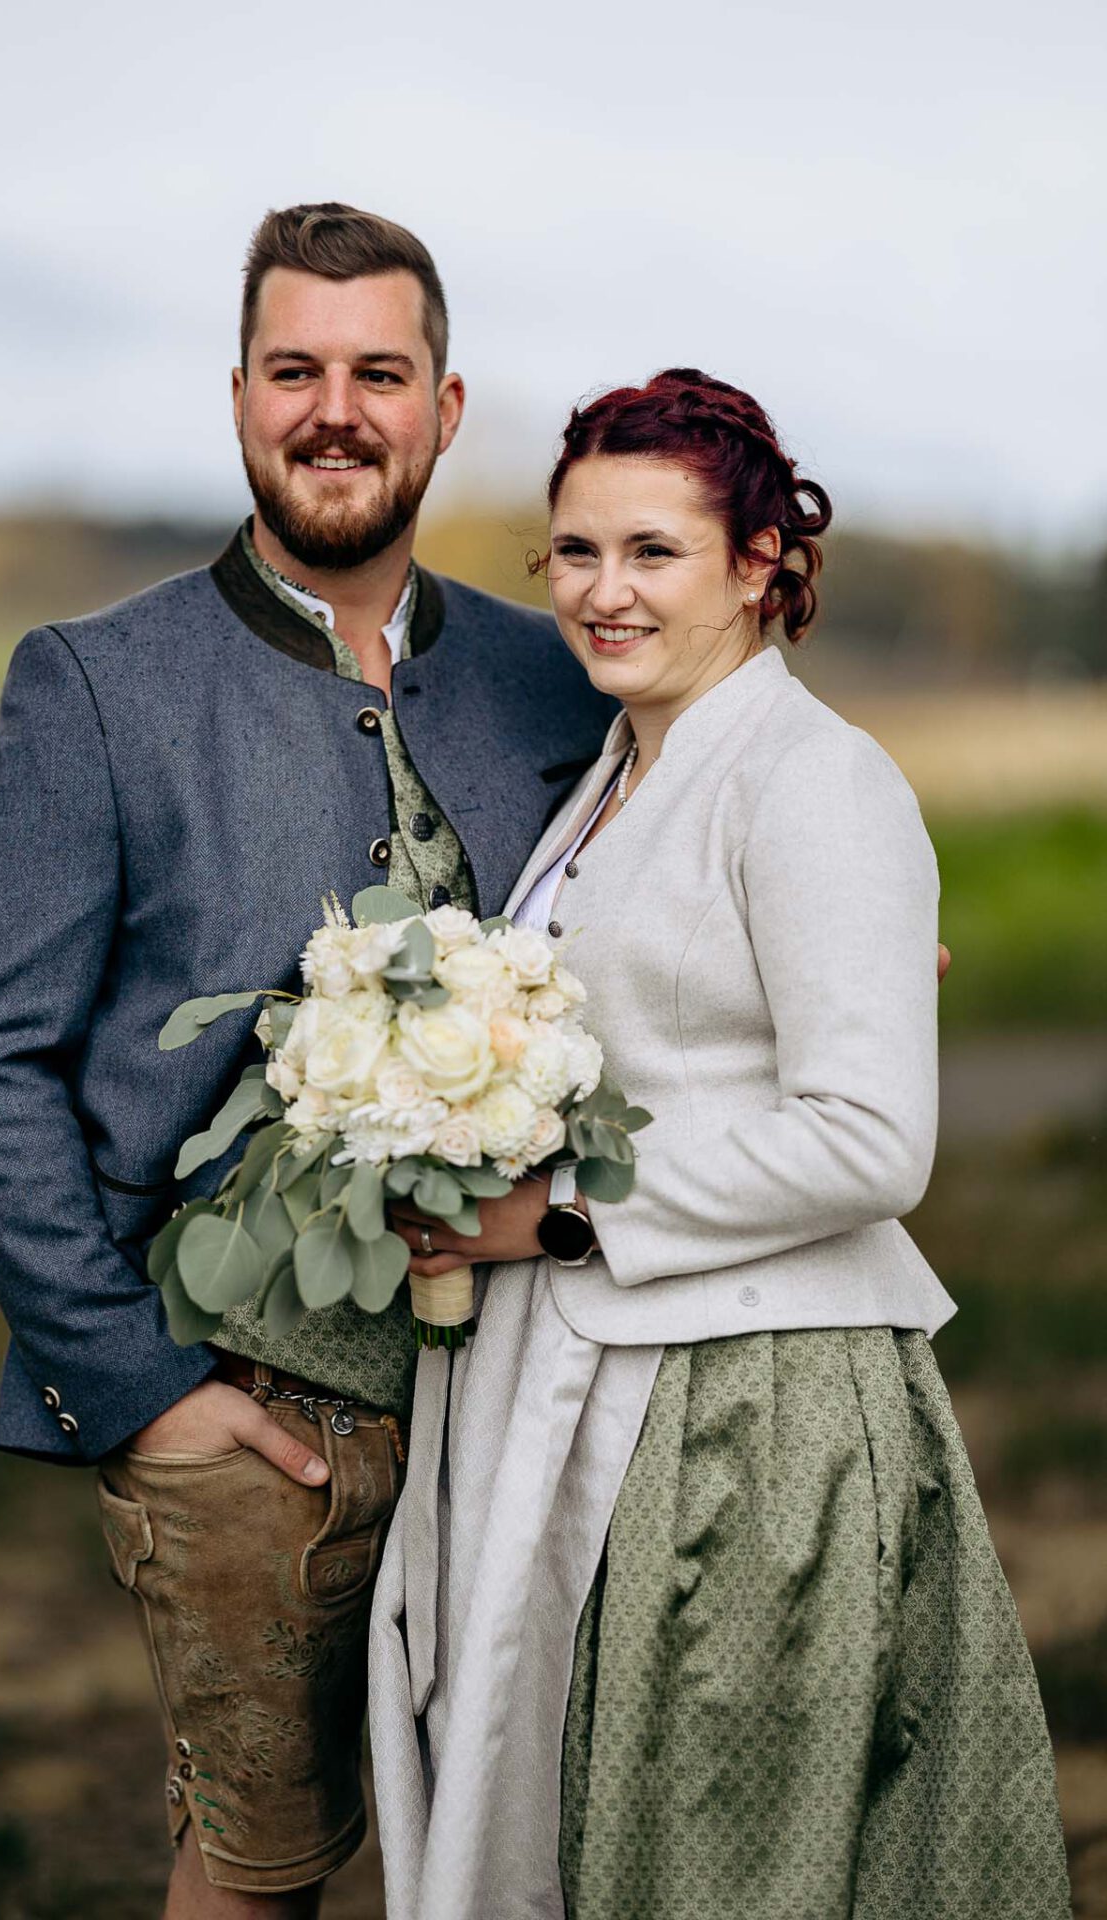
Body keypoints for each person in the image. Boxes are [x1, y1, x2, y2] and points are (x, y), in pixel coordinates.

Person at [0, 202, 617, 1917]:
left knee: (543, 1846)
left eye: (381, 372)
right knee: (265, 1873)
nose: (336, 410)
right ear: (237, 398)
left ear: (448, 410)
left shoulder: (558, 677)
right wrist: (134, 1392)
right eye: (295, 369)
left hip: (538, 1384)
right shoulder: (91, 686)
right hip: (247, 1420)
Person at [371, 368, 1071, 1920]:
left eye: (652, 553)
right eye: (574, 552)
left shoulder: (815, 779)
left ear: (758, 565)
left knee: (717, 1857)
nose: (602, 594)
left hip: (747, 1407)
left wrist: (552, 1217)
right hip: (581, 1376)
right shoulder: (623, 771)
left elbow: (872, 1141)